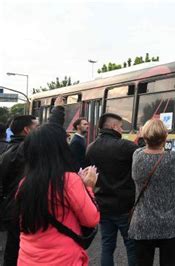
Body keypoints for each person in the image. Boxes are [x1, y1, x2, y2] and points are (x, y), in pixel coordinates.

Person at [16, 123, 100, 265]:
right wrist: (88, 187)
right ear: (60, 148)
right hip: (63, 259)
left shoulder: (24, 183)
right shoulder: (68, 180)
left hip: (28, 257)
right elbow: (91, 219)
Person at [0, 96, 64, 266]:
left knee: (12, 249)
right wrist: (57, 110)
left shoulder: (6, 153)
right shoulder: (25, 149)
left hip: (9, 209)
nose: (40, 129)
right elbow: (52, 130)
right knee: (25, 250)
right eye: (36, 127)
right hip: (24, 208)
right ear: (27, 131)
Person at [129, 119, 175, 266]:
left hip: (143, 223)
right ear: (165, 138)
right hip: (170, 224)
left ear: (145, 137)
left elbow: (140, 146)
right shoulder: (172, 158)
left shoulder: (137, 155)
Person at [85, 113, 138, 266]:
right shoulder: (126, 146)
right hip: (125, 206)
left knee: (107, 246)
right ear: (114, 126)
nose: (122, 130)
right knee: (131, 245)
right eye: (121, 126)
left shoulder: (91, 148)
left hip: (102, 205)